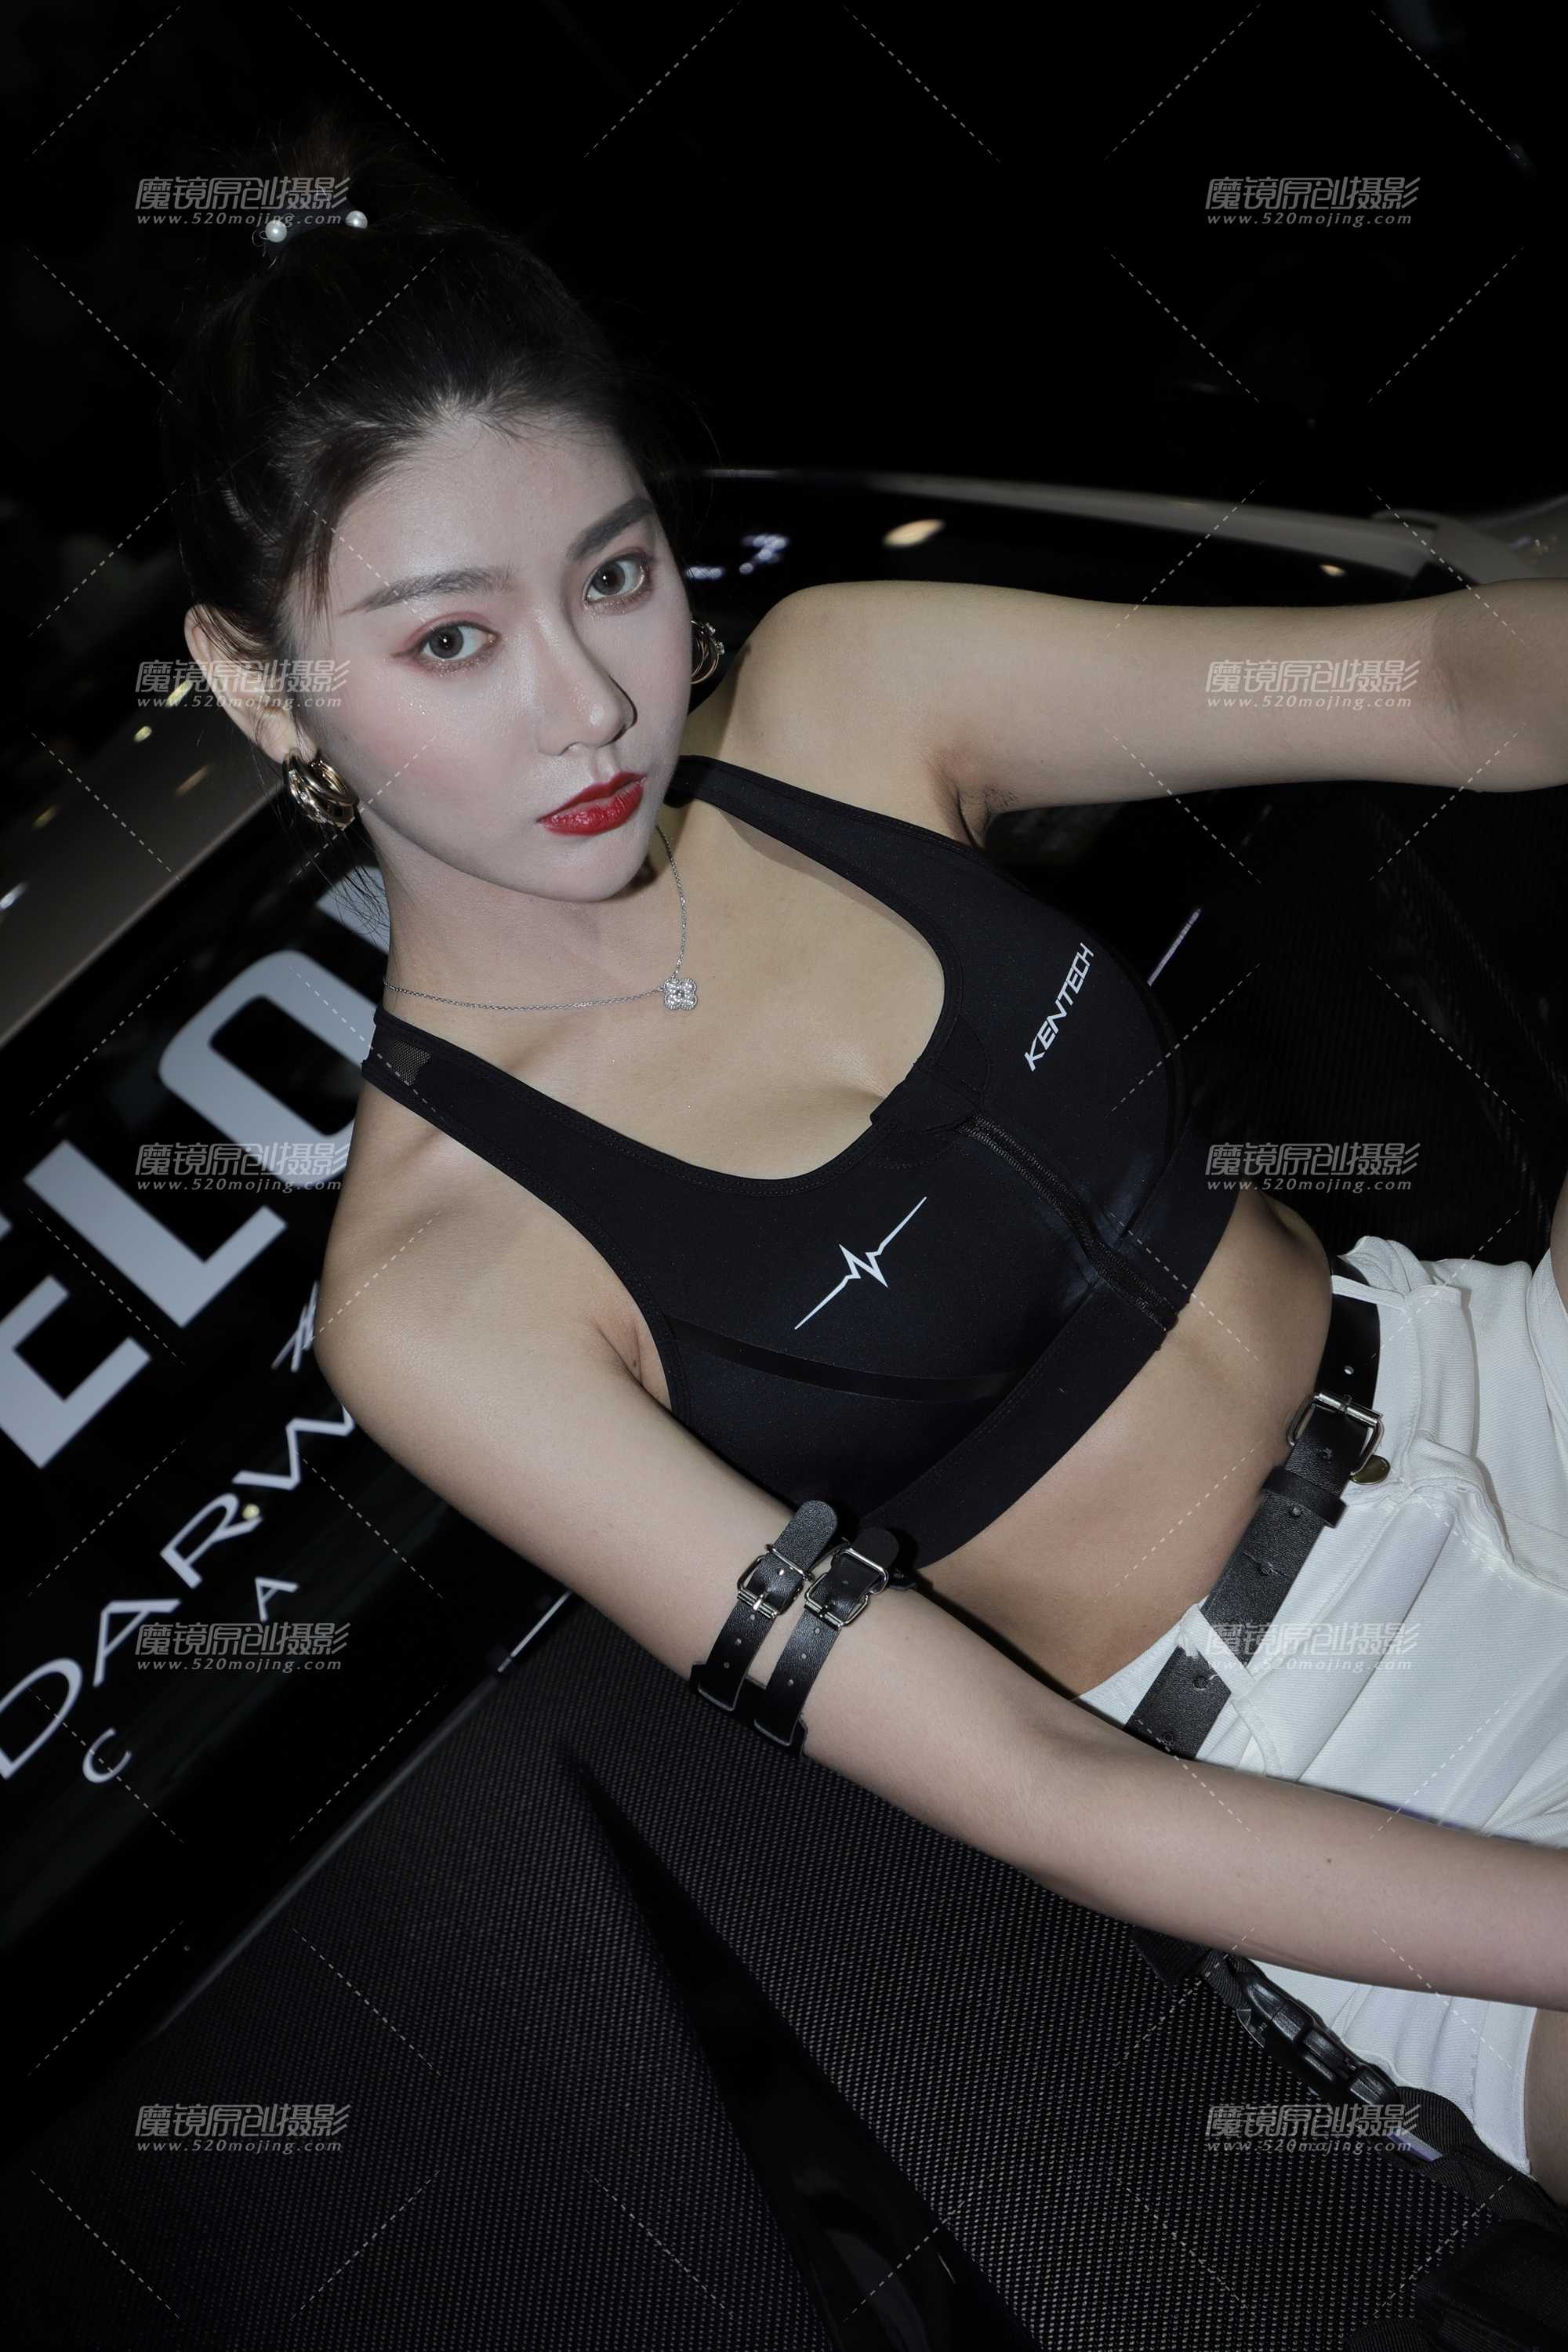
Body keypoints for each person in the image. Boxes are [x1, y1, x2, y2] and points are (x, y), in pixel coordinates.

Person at [165, 104, 1568, 2210]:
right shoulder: (439, 1295)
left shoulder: (848, 694)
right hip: (1356, 1782)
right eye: (452, 639)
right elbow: (1046, 1787)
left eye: (615, 577)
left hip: (1510, 1365)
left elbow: (1452, 680)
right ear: (261, 687)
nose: (587, 706)